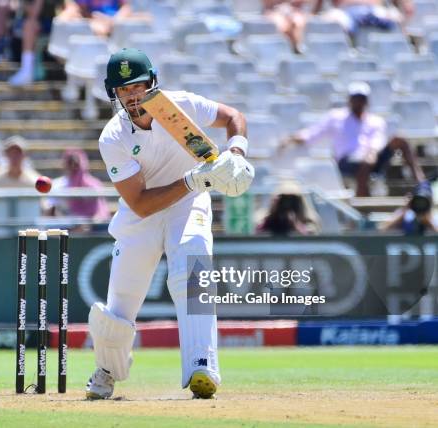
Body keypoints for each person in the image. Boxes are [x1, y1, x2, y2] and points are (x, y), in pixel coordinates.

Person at [84, 48, 254, 400]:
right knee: (121, 300)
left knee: (193, 264)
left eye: (137, 85)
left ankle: (201, 366)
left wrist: (236, 152)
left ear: (152, 82)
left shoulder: (181, 106)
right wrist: (194, 180)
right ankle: (107, 370)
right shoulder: (113, 138)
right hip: (142, 214)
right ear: (113, 94)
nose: (132, 95)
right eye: (123, 89)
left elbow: (233, 116)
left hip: (189, 204)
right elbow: (141, 203)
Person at [283, 81, 426, 197]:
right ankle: (361, 205)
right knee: (364, 163)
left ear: (367, 101)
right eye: (355, 98)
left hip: (373, 158)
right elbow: (313, 133)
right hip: (347, 161)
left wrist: (372, 153)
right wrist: (289, 139)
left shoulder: (376, 121)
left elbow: (378, 140)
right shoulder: (336, 117)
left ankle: (422, 184)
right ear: (349, 100)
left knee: (400, 140)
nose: (358, 102)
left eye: (361, 98)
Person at [43, 148, 110, 221]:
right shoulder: (58, 185)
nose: (73, 166)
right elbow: (49, 210)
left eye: (76, 163)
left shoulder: (94, 184)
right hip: (66, 226)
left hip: (92, 227)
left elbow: (100, 213)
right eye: (70, 162)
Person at [312, 0, 414, 37]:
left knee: (396, 17)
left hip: (375, 10)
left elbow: (407, 7)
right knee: (333, 19)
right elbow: (316, 9)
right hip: (344, 12)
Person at [256, 179, 320, 235]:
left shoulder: (310, 226)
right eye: (283, 200)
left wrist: (299, 229)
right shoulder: (264, 224)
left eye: (293, 201)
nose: (287, 204)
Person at [57, 0, 134, 37]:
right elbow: (78, 10)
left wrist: (113, 21)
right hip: (92, 24)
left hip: (115, 24)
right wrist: (92, 20)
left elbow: (127, 7)